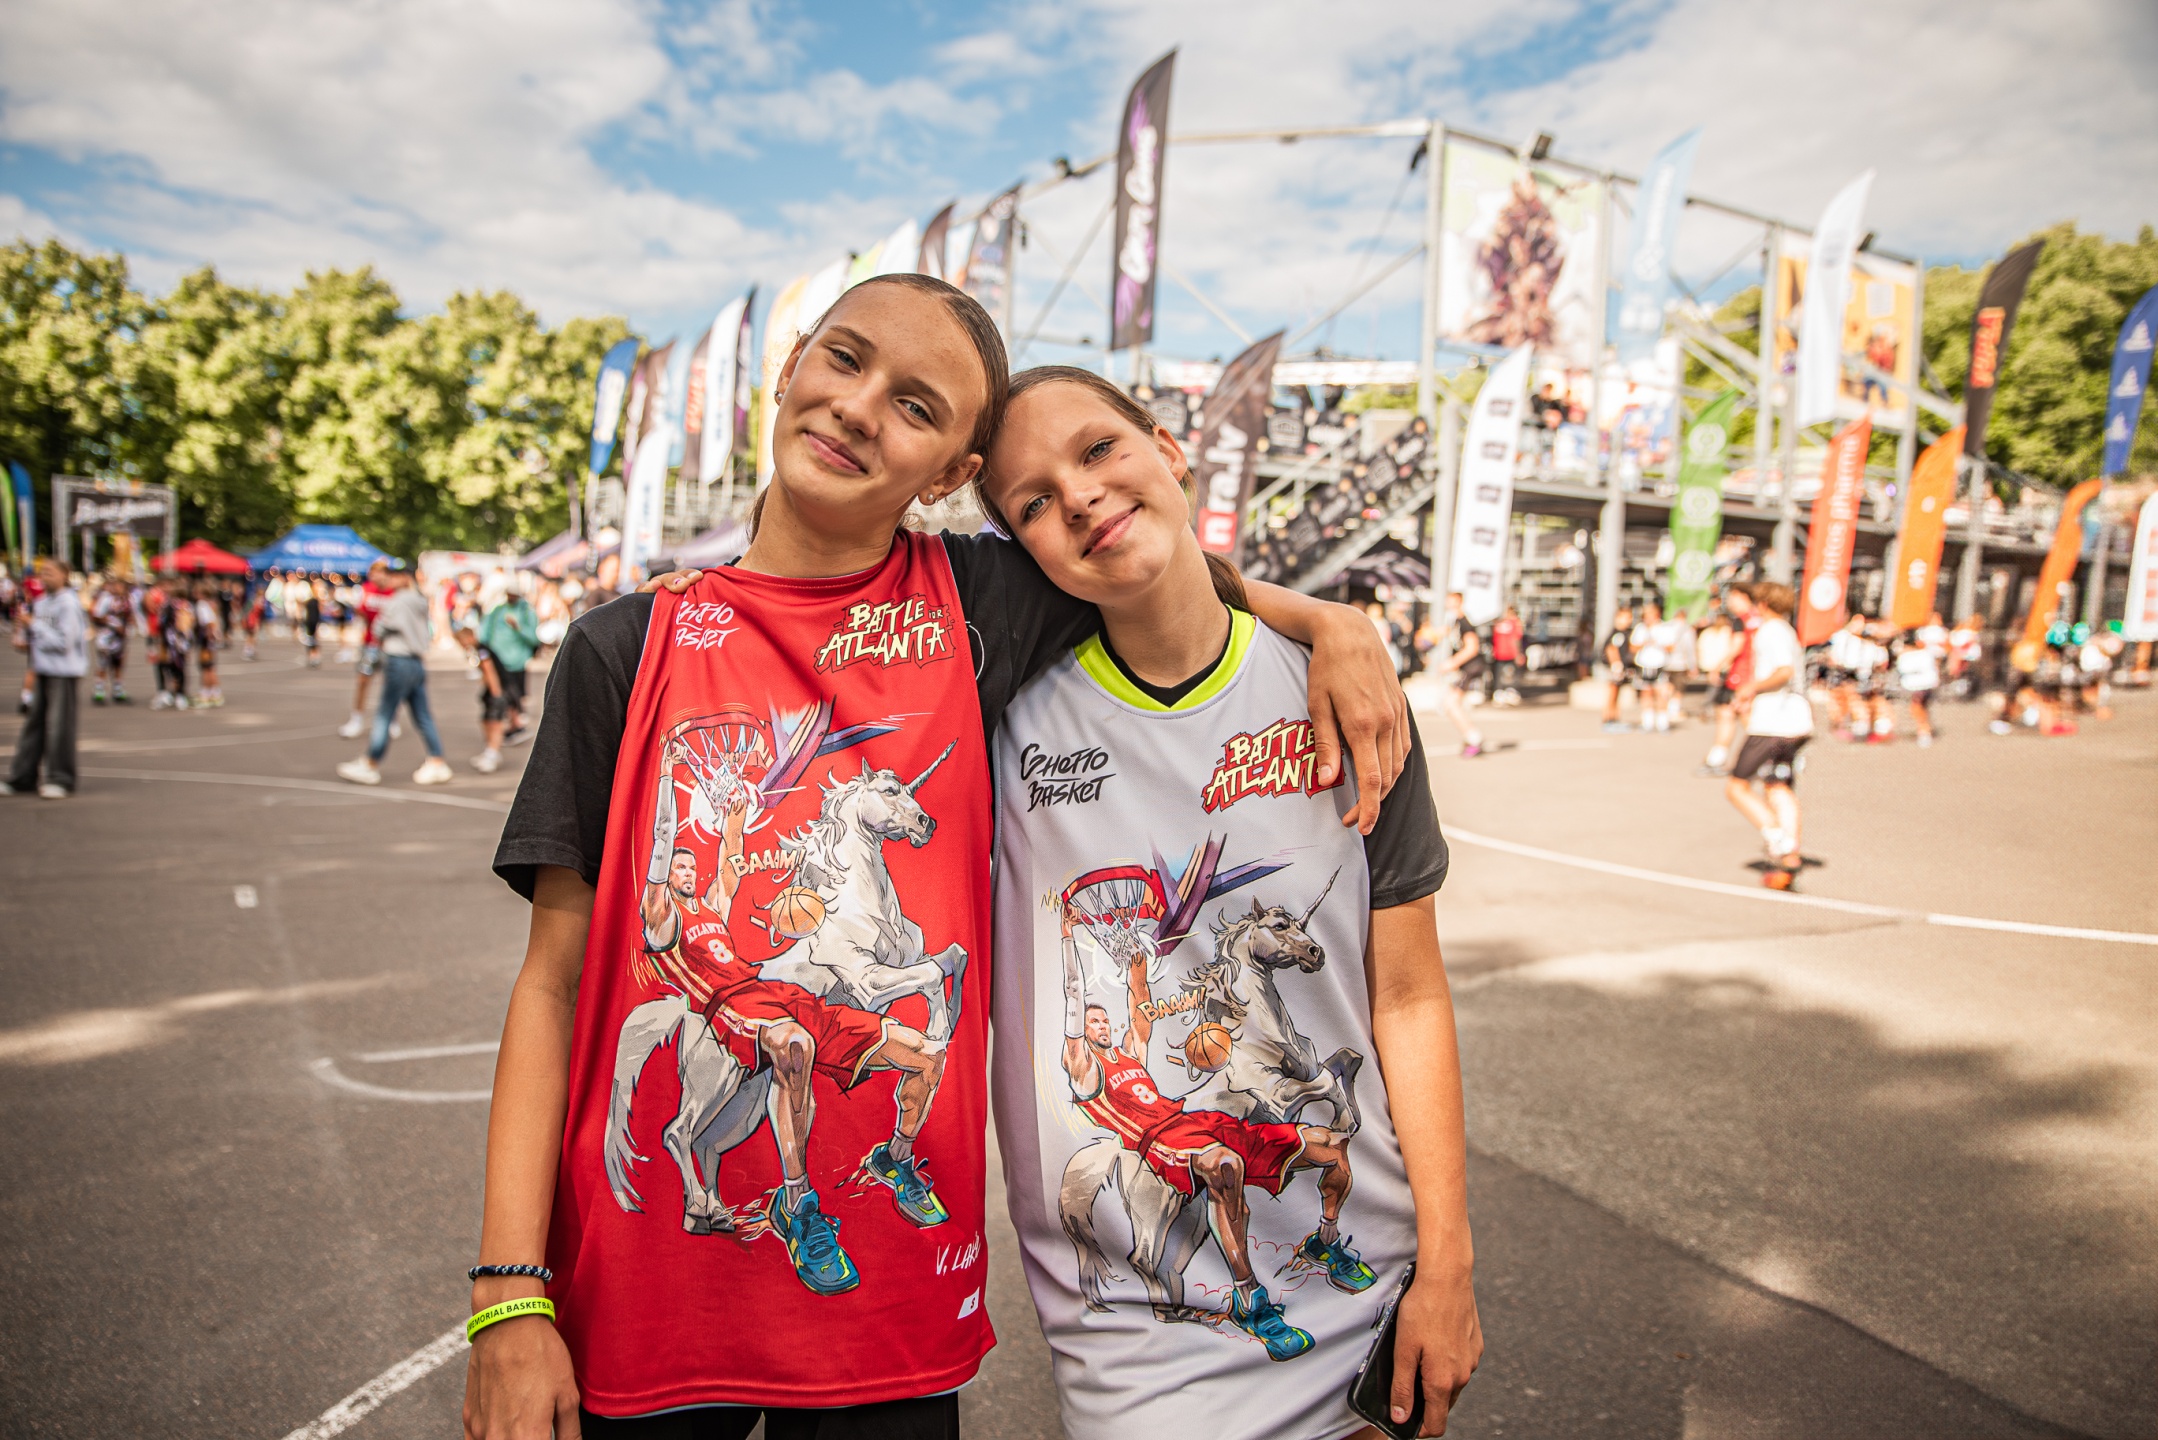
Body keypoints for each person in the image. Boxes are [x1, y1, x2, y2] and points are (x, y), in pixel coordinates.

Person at [466, 274, 1406, 1439]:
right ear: (790, 367)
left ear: (952, 476)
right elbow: (551, 987)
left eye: (916, 406)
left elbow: (1149, 564)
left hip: (891, 1323)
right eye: (845, 359)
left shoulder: (981, 604)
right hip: (643, 1308)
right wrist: (507, 1295)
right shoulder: (624, 648)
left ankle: (870, 1170)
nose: (861, 408)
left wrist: (1329, 622)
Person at [978, 365, 1479, 1439]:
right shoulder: (1002, 719)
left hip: (1362, 1279)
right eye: (1033, 500)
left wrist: (1448, 1265)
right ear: (1020, 550)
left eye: (1099, 449)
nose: (1079, 495)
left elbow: (1407, 995)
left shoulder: (1342, 691)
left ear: (1169, 449)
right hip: (1134, 1314)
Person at [1724, 582, 1812, 882]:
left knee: (1737, 787)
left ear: (1762, 604)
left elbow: (1784, 671)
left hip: (1773, 721)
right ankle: (1790, 855)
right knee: (1778, 785)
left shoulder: (1770, 631)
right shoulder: (1786, 630)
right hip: (1795, 720)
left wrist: (1751, 688)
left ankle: (1778, 838)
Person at [336, 562, 451, 785]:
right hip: (415, 661)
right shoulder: (418, 599)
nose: (389, 579)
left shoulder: (399, 600)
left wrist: (379, 627)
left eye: (394, 575)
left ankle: (370, 763)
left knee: (385, 714)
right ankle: (437, 760)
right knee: (422, 715)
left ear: (405, 578)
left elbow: (380, 627)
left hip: (399, 659)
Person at [8, 557, 88, 798]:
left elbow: (64, 642)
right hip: (42, 669)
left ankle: (61, 778)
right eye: (42, 572)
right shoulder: (41, 603)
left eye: (50, 572)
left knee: (59, 726)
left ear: (64, 575)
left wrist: (34, 626)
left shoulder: (69, 604)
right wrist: (24, 637)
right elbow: (38, 638)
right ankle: (22, 777)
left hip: (63, 672)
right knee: (33, 725)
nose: (45, 577)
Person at [472, 576, 538, 773]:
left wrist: (518, 628)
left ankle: (505, 737)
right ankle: (505, 735)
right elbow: (485, 633)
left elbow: (533, 638)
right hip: (496, 660)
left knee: (506, 700)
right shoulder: (498, 611)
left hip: (516, 662)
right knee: (499, 701)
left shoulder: (526, 612)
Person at [341, 559, 396, 738]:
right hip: (369, 643)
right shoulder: (366, 589)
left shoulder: (394, 591)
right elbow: (362, 616)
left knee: (389, 684)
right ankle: (356, 719)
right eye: (372, 573)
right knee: (363, 680)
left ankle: (390, 719)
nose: (374, 576)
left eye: (377, 573)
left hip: (390, 645)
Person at [1430, 591, 1485, 757]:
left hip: (1471, 667)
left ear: (1459, 601)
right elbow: (1441, 633)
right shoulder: (1455, 622)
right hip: (1466, 668)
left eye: (1451, 601)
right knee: (1451, 704)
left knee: (1451, 704)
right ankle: (1472, 737)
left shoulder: (1465, 622)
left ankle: (1474, 739)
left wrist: (1452, 663)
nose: (1448, 604)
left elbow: (1472, 647)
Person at [1893, 628, 1940, 747]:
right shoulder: (1927, 653)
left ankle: (1924, 731)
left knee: (1916, 708)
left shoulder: (1907, 656)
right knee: (1922, 707)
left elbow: (1903, 669)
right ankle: (1925, 729)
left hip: (1917, 685)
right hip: (1927, 684)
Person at [90, 574, 132, 704]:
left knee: (118, 664)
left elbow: (131, 616)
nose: (119, 589)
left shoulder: (127, 600)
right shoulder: (106, 599)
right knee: (103, 663)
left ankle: (118, 691)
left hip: (120, 638)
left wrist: (128, 629)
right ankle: (99, 691)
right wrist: (113, 623)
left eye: (121, 586)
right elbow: (96, 615)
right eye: (117, 586)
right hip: (106, 637)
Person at [1600, 605, 1634, 731]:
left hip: (1618, 667)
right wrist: (1616, 665)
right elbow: (1611, 649)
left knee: (1616, 694)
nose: (1628, 620)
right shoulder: (1618, 634)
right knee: (1613, 694)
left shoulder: (1623, 633)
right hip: (1616, 668)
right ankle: (1608, 719)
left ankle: (1614, 718)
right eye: (1626, 617)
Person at [193, 580, 225, 707]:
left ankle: (206, 693)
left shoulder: (201, 605)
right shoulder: (211, 604)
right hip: (210, 640)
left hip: (206, 640)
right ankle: (214, 692)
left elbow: (209, 623)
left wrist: (209, 637)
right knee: (210, 667)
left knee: (206, 667)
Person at [1489, 605, 1524, 705]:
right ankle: (1510, 693)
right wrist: (1518, 654)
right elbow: (1516, 639)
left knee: (1499, 675)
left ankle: (1499, 694)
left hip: (1498, 653)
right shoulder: (1515, 623)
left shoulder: (1498, 623)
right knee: (1512, 675)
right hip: (1510, 653)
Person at [300, 578, 323, 667]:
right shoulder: (308, 597)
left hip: (315, 621)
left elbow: (320, 610)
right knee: (309, 641)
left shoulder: (318, 599)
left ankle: (315, 657)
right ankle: (311, 657)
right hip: (309, 621)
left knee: (314, 641)